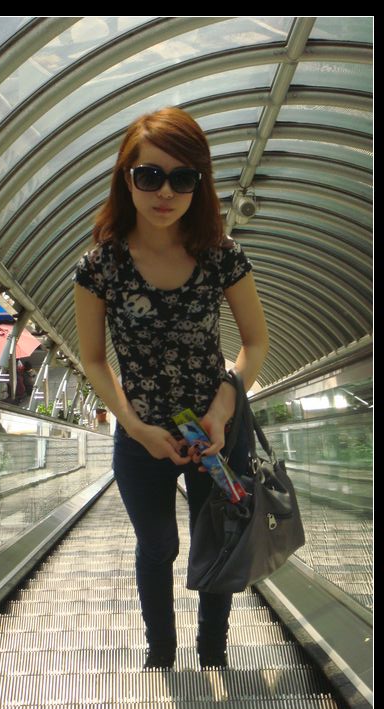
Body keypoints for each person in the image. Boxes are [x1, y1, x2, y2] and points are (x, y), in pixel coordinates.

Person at [73, 107, 269, 670]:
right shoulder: (100, 265)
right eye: (150, 175)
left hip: (215, 433)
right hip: (142, 438)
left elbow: (255, 341)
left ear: (199, 184)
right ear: (126, 177)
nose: (166, 192)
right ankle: (160, 654)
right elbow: (93, 359)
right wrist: (135, 428)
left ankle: (213, 654)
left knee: (217, 540)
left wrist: (226, 404)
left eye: (183, 178)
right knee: (157, 546)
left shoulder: (220, 253)